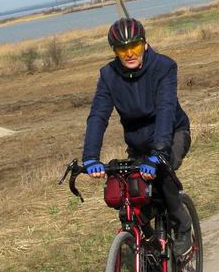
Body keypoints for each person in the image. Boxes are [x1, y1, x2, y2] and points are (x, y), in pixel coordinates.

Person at [82, 18, 193, 257]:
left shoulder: (163, 67)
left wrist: (159, 154)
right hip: (138, 143)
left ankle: (182, 225)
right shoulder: (109, 76)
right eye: (123, 48)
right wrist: (91, 157)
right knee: (130, 195)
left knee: (162, 173)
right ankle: (150, 253)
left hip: (172, 134)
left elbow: (165, 110)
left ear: (144, 44)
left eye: (134, 46)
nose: (129, 53)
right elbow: (98, 116)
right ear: (115, 51)